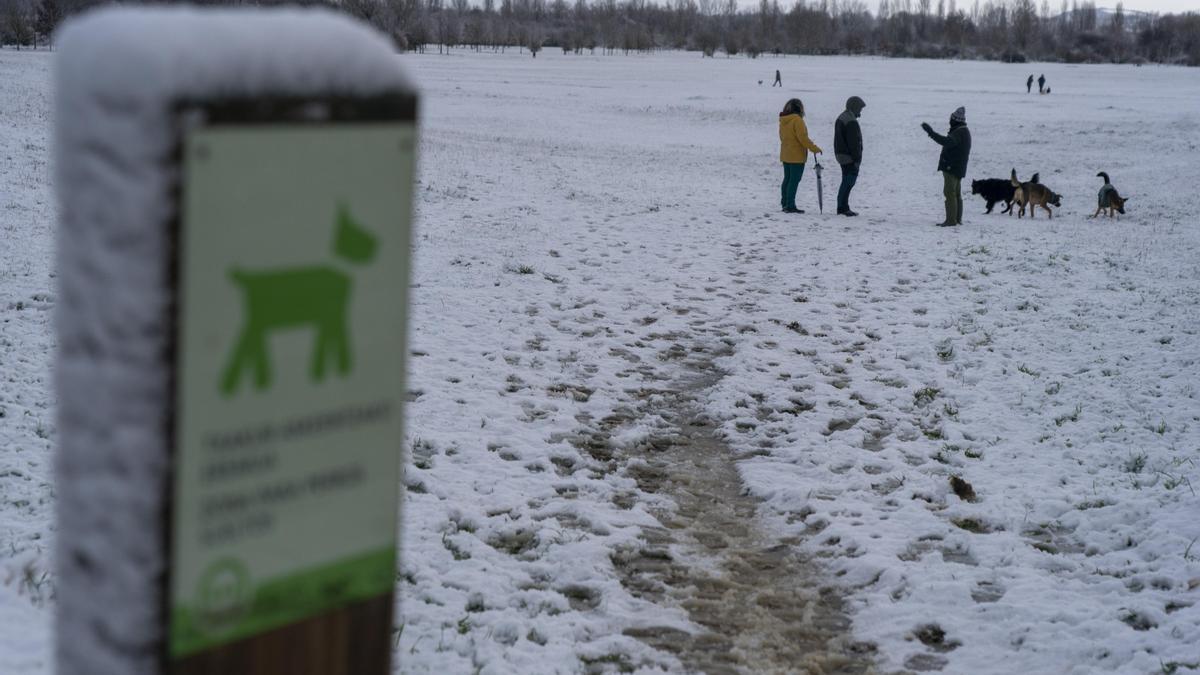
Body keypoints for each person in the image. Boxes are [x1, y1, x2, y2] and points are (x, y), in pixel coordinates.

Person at [920, 106, 971, 227]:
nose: (950, 120)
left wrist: (931, 133)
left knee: (950, 193)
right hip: (958, 167)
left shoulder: (959, 132)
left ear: (955, 120)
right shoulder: (964, 131)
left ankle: (951, 220)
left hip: (951, 167)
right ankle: (957, 219)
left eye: (951, 118)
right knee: (956, 193)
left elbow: (946, 141)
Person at [778, 98, 822, 214]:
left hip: (786, 154)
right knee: (794, 180)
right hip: (796, 156)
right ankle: (790, 205)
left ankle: (785, 203)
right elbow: (803, 138)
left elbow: (782, 137)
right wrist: (814, 148)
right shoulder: (797, 120)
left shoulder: (783, 120)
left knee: (787, 179)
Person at [833, 96, 865, 217]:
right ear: (854, 107)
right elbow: (854, 143)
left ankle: (843, 206)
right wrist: (857, 159)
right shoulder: (850, 120)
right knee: (848, 182)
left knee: (846, 182)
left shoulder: (844, 117)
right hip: (848, 157)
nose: (860, 112)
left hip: (841, 155)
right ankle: (842, 208)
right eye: (860, 109)